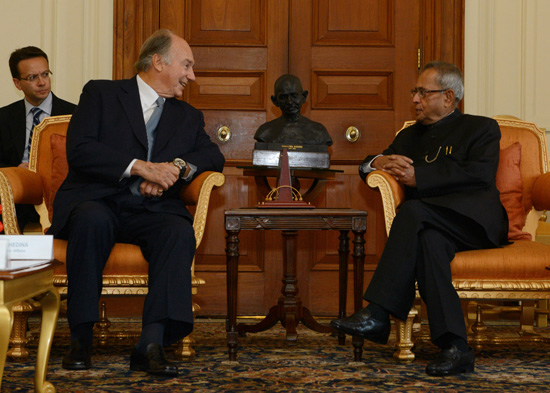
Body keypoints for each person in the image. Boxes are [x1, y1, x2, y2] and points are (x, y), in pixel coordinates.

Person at [48, 29, 225, 376]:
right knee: (92, 221)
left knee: (178, 232)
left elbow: (210, 155)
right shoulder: (101, 93)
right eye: (186, 65)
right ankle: (80, 338)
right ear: (158, 61)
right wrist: (140, 168)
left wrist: (173, 169)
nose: (192, 75)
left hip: (152, 210)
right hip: (97, 199)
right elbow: (80, 150)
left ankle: (151, 343)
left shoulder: (187, 115)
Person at [330, 61, 508, 376]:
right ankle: (456, 348)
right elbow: (366, 165)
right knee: (429, 243)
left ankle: (379, 313)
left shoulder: (481, 128)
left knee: (412, 211)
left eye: (423, 93)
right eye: (415, 92)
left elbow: (479, 174)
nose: (414, 99)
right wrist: (381, 160)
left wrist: (419, 177)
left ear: (449, 97)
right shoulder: (410, 135)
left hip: (476, 222)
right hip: (429, 224)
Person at [0, 46, 76, 230]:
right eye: (33, 77)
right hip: (17, 196)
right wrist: (15, 172)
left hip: (59, 193)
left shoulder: (74, 114)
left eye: (45, 74)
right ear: (17, 83)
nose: (42, 82)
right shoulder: (4, 117)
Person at [254, 74, 332, 146]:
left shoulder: (318, 131)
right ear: (275, 101)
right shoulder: (265, 132)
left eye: (294, 96)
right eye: (283, 97)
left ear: (303, 97)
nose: (290, 102)